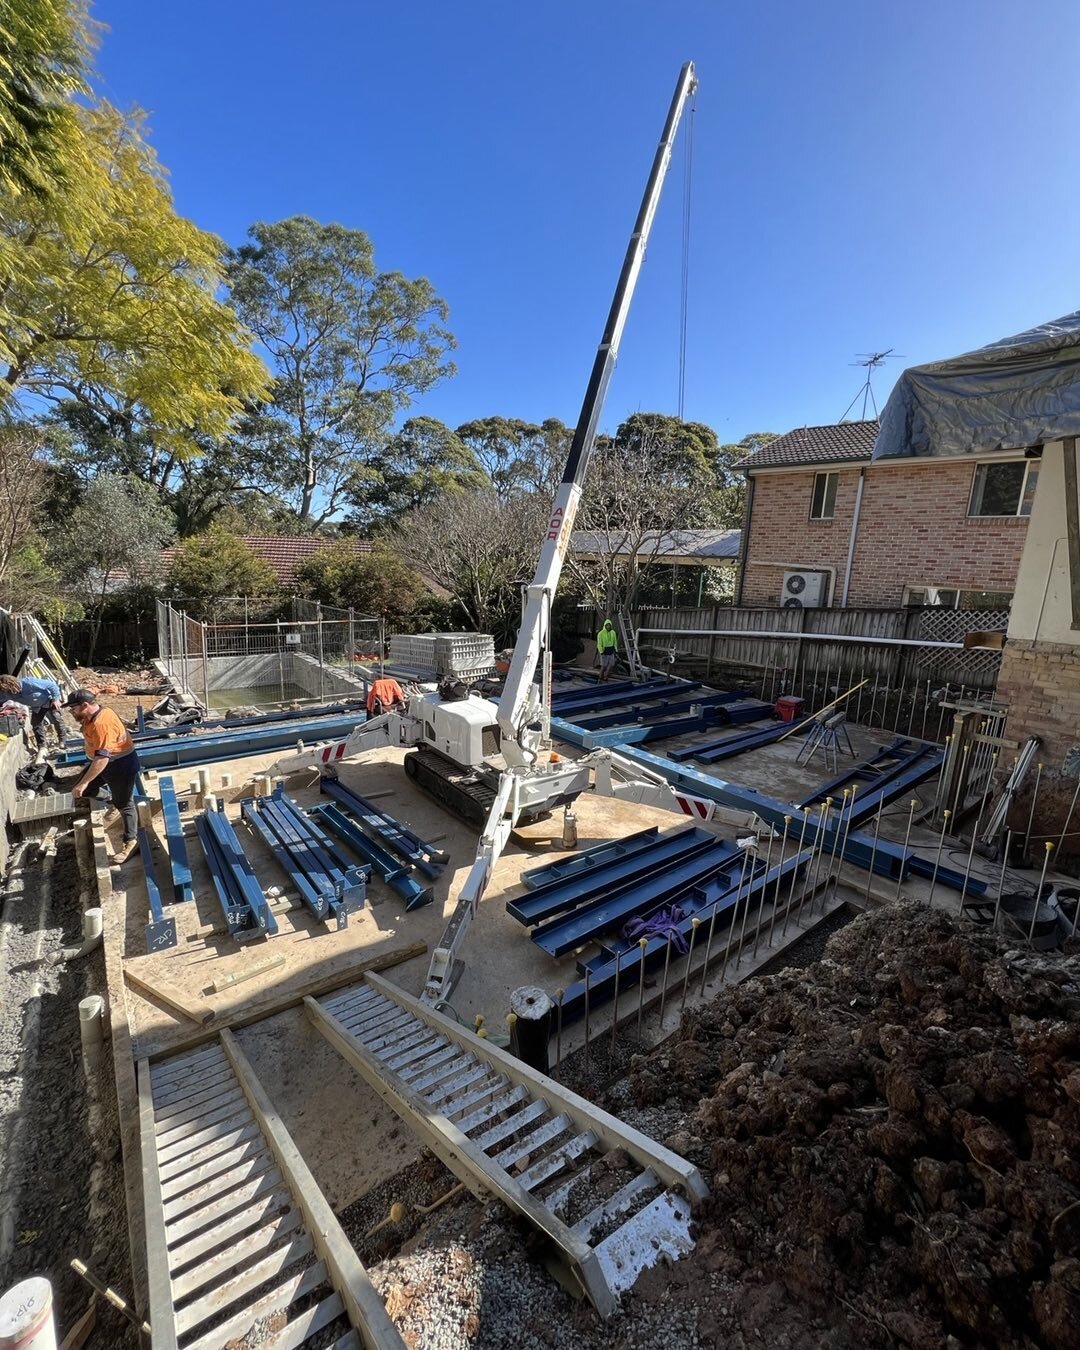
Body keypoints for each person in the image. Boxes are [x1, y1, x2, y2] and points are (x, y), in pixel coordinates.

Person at [66, 688, 140, 863]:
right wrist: (84, 784)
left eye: (74, 708)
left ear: (85, 705)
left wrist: (84, 782)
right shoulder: (94, 715)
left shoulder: (102, 724)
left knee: (125, 804)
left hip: (120, 766)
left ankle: (131, 841)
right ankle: (113, 801)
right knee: (83, 791)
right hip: (103, 764)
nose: (72, 712)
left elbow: (102, 758)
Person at [0, 673, 64, 750]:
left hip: (49, 700)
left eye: (8, 690)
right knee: (36, 724)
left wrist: (56, 699)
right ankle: (42, 746)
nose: (8, 693)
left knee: (56, 718)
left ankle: (62, 740)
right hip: (37, 707)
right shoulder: (6, 694)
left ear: (12, 685)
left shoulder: (29, 682)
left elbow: (51, 685)